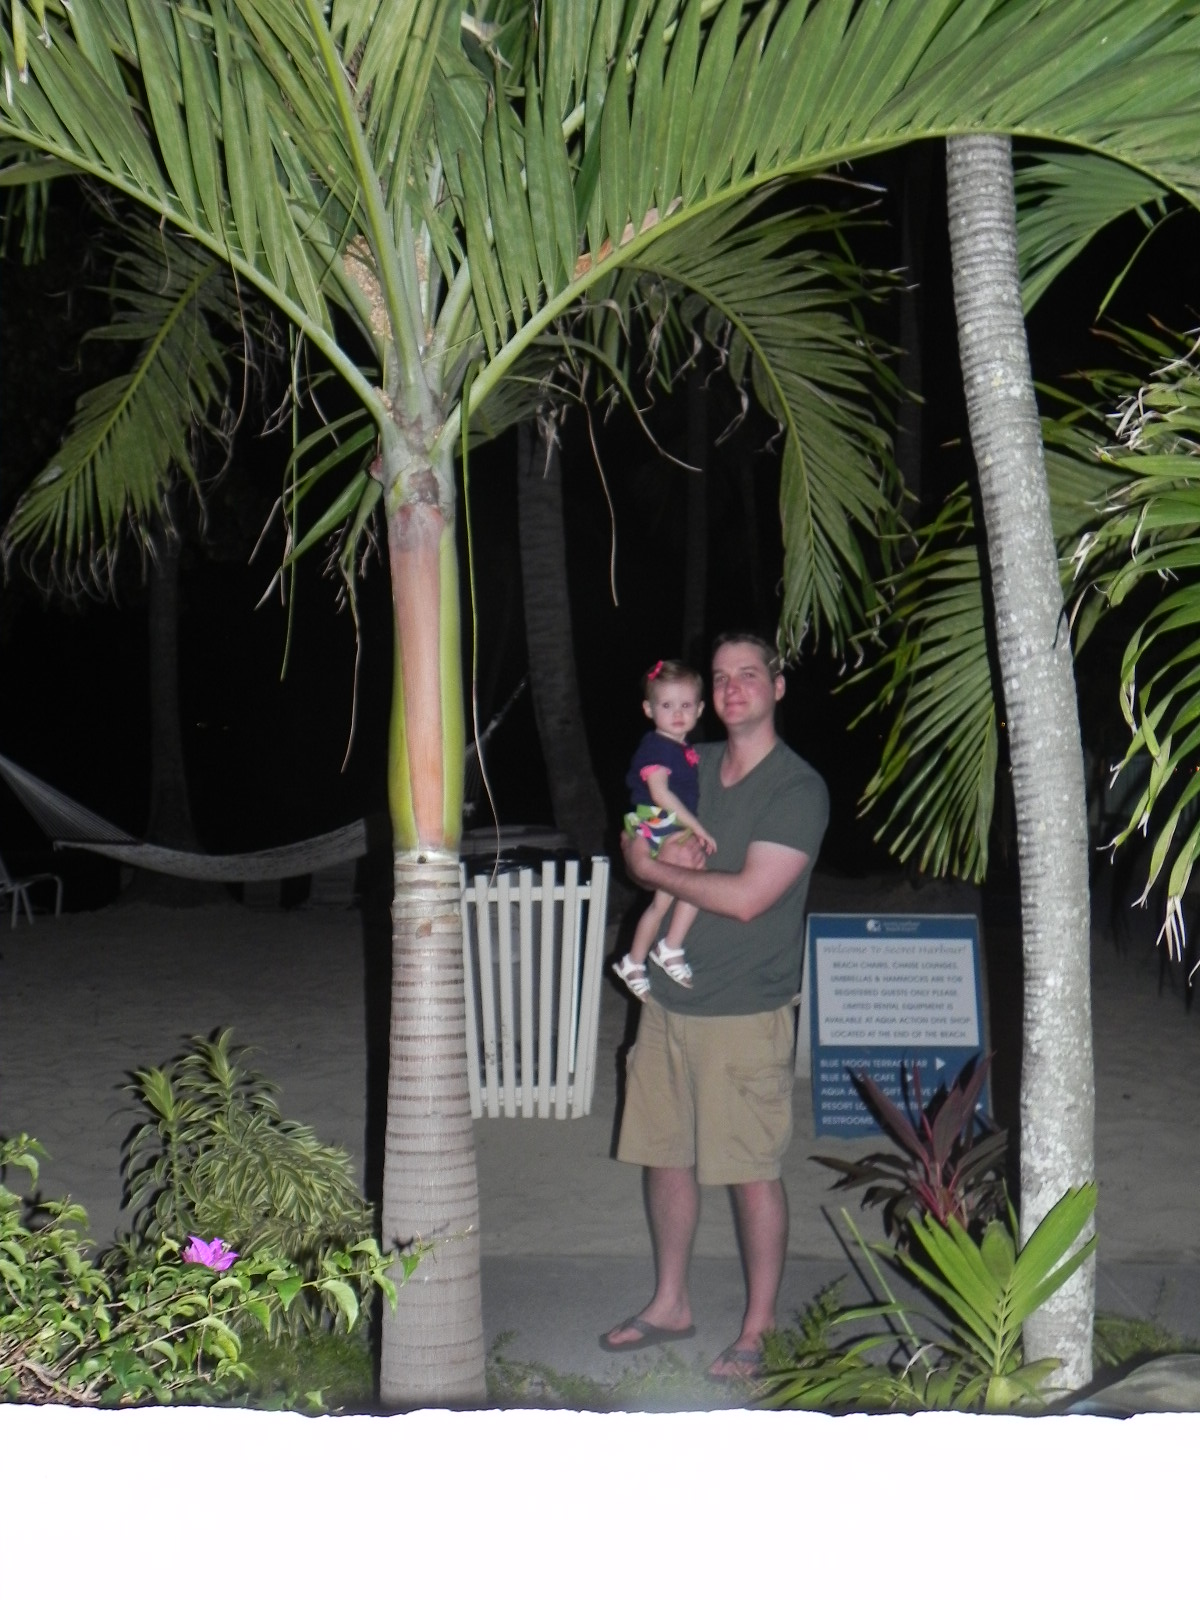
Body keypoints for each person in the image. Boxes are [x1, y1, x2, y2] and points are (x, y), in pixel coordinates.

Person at [601, 633, 829, 1380]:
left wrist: (653, 868)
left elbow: (747, 897)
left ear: (777, 688)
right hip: (665, 1002)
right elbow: (639, 831)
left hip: (744, 1011)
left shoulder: (796, 789)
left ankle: (759, 1328)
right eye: (721, 676)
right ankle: (671, 1303)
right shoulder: (687, 759)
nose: (732, 688)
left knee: (750, 1169)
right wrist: (644, 854)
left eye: (748, 675)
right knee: (664, 1156)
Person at [611, 659, 717, 1001]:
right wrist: (698, 827)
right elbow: (660, 794)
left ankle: (640, 958)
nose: (677, 713)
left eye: (686, 705)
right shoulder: (657, 746)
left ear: (700, 709)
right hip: (657, 821)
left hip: (666, 824)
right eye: (667, 705)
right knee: (692, 882)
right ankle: (662, 949)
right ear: (649, 709)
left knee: (670, 898)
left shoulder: (683, 750)